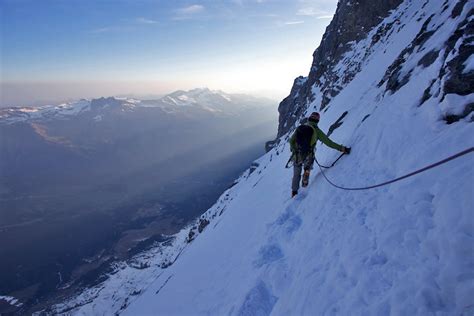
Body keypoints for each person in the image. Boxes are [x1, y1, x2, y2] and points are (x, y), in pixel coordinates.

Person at [289, 112, 351, 197]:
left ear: (309, 119)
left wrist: (293, 149)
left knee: (296, 174)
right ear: (317, 121)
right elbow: (329, 143)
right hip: (309, 155)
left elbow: (291, 141)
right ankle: (305, 181)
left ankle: (294, 193)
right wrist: (342, 148)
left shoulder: (300, 128)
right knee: (307, 168)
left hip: (297, 155)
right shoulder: (317, 131)